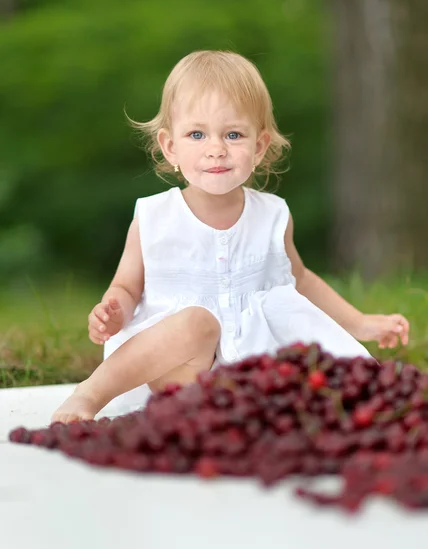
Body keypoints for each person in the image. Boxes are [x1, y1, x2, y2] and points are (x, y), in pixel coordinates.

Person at [51, 50, 410, 424]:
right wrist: (114, 312)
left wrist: (359, 323)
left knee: (322, 392)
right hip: (175, 367)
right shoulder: (155, 217)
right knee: (197, 324)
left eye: (233, 134)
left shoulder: (272, 215)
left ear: (258, 146)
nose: (216, 148)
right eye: (196, 134)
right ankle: (89, 394)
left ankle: (239, 414)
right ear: (170, 146)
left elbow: (300, 280)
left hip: (248, 368)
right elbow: (126, 286)